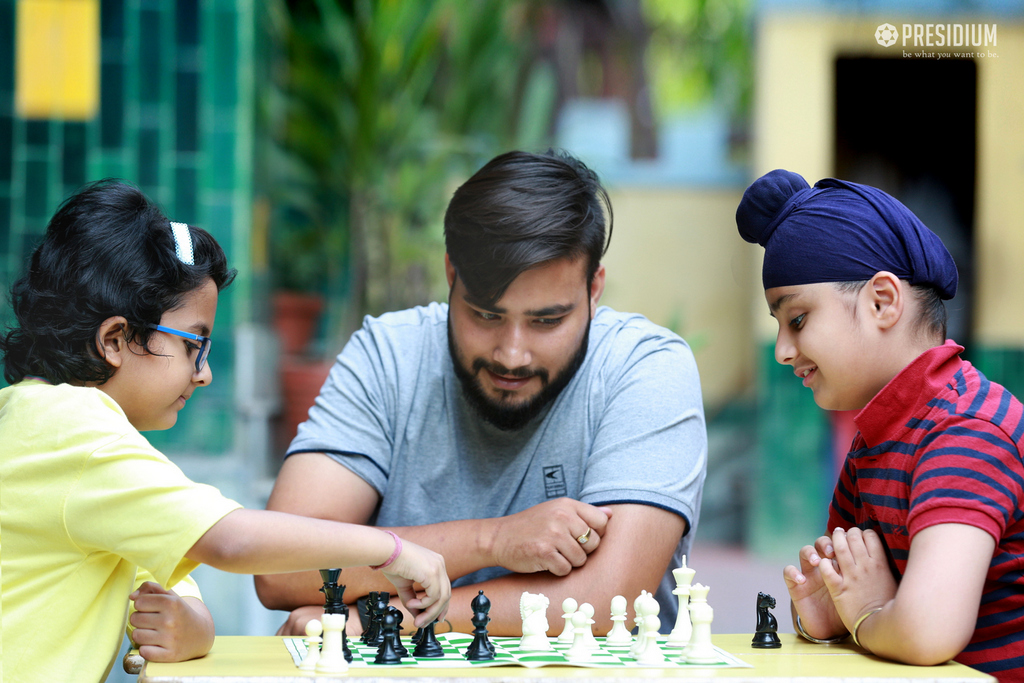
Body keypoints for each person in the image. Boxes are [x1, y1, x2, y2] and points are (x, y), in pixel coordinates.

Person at [0, 180, 450, 683]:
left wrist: (193, 624)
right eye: (194, 345)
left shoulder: (43, 421)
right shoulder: (72, 432)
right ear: (115, 339)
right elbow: (230, 541)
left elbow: (168, 574)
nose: (204, 373)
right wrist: (390, 550)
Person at [255, 149, 707, 636]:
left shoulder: (645, 368)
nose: (512, 355)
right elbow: (279, 567)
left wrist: (382, 622)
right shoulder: (389, 356)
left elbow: (609, 596)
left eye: (546, 321)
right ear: (451, 275)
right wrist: (493, 539)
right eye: (486, 315)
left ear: (594, 289)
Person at [736, 169, 1024, 681]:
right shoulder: (877, 441)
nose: (782, 351)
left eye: (797, 319)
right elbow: (863, 596)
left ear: (882, 301)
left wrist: (868, 614)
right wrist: (831, 617)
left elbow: (924, 630)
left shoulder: (965, 430)